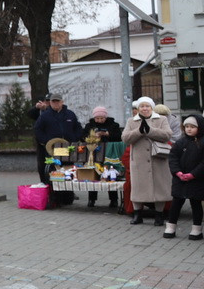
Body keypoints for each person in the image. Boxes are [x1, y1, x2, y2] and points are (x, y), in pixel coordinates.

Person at [121, 96, 171, 229]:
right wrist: (139, 131)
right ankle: (137, 214)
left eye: (147, 106)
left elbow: (167, 135)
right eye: (142, 106)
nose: (145, 108)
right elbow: (125, 138)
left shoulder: (162, 119)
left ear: (152, 107)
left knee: (160, 188)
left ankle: (159, 215)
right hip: (139, 161)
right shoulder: (132, 121)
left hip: (158, 159)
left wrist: (150, 131)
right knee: (138, 188)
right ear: (138, 109)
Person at [34, 94, 82, 204]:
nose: (56, 103)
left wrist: (75, 139)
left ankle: (68, 197)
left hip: (68, 148)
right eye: (53, 101)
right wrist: (46, 141)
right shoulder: (45, 116)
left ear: (62, 102)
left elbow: (78, 128)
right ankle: (54, 198)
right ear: (50, 103)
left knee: (68, 172)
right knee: (53, 172)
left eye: (58, 101)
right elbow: (37, 129)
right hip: (52, 149)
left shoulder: (70, 114)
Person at [168, 113, 204, 240]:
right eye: (187, 126)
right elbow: (172, 158)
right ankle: (170, 227)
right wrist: (177, 172)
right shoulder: (180, 142)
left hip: (197, 179)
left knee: (196, 203)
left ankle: (196, 229)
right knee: (176, 203)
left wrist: (193, 174)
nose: (189, 129)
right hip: (180, 178)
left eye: (193, 127)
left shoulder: (202, 142)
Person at [83, 106, 122, 208]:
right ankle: (92, 199)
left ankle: (113, 200)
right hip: (94, 154)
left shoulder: (113, 125)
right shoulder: (89, 125)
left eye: (102, 118)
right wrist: (92, 137)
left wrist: (106, 134)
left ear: (105, 117)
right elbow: (83, 136)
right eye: (97, 118)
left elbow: (118, 136)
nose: (99, 120)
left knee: (110, 175)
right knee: (93, 175)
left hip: (110, 153)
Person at [28, 95, 51, 184]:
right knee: (42, 164)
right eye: (46, 101)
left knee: (56, 164)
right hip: (41, 143)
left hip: (53, 141)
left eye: (50, 101)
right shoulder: (40, 111)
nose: (47, 103)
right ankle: (44, 183)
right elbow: (30, 114)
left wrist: (47, 109)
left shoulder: (54, 111)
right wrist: (36, 107)